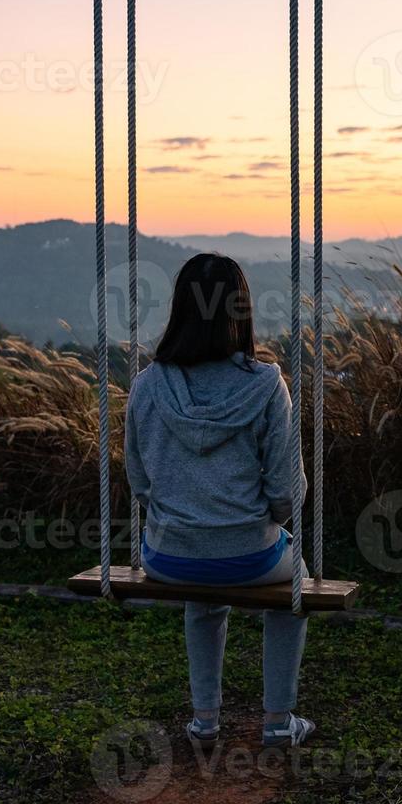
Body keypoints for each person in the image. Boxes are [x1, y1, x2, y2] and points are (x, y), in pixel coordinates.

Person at [124, 253, 314, 749]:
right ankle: (278, 719)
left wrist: (177, 514)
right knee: (298, 581)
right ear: (241, 310)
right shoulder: (267, 386)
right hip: (249, 552)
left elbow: (139, 480)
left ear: (180, 309)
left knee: (202, 598)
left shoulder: (147, 385)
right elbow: (285, 491)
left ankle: (205, 719)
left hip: (168, 555)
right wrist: (266, 522)